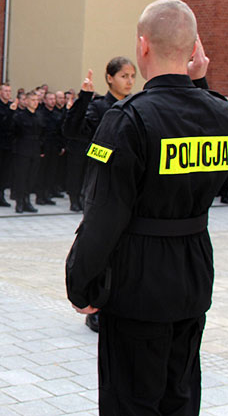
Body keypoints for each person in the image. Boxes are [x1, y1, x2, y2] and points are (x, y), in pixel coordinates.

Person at [65, 0, 228, 415]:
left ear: (143, 47)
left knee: (132, 401)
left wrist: (80, 283)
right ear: (194, 49)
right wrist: (199, 85)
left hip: (138, 283)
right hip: (192, 275)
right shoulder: (221, 114)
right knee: (180, 397)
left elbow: (103, 213)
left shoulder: (128, 119)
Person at [63, 56, 137, 332]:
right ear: (110, 78)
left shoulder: (135, 108)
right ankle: (95, 306)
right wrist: (84, 96)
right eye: (124, 76)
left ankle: (118, 302)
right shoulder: (98, 107)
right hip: (100, 189)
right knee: (99, 249)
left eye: (132, 76)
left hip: (127, 189)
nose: (129, 81)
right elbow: (72, 131)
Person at [12, 90, 43, 213]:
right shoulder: (19, 116)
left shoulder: (39, 115)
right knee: (21, 176)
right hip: (22, 149)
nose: (35, 103)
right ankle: (19, 201)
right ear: (26, 101)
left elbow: (42, 133)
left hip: (35, 149)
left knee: (31, 177)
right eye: (33, 100)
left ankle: (27, 200)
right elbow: (14, 132)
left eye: (37, 100)